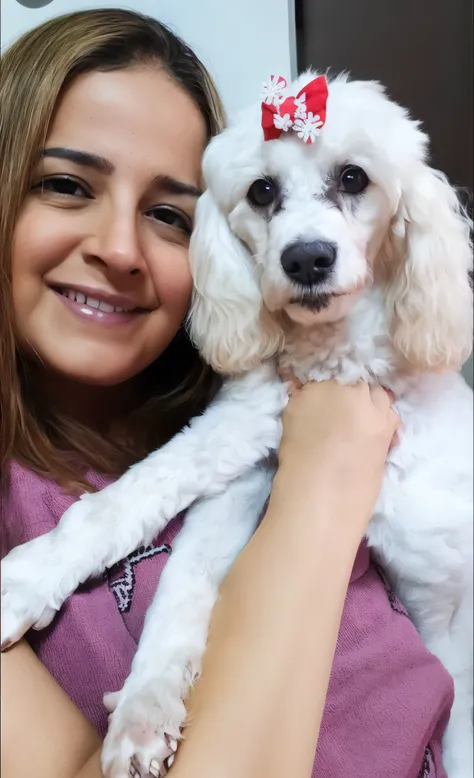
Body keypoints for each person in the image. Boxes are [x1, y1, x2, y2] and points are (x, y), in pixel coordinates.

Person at [0, 9, 454, 778]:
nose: (118, 250)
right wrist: (325, 474)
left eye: (169, 214)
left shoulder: (254, 397)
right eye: (67, 185)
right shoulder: (317, 427)